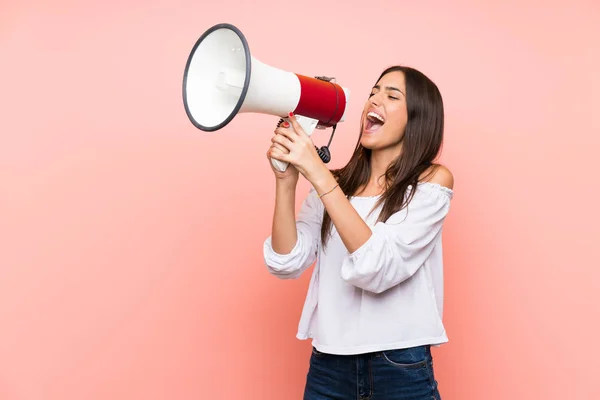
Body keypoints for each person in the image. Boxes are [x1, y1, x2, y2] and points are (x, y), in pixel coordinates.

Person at [263, 65, 454, 400]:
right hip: (328, 366)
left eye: (391, 95)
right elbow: (286, 262)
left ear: (418, 118)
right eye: (372, 93)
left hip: (400, 365)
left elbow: (379, 267)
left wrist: (318, 174)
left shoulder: (431, 182)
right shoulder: (335, 186)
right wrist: (286, 182)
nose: (373, 102)